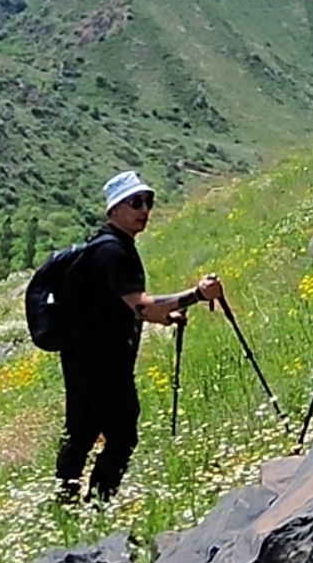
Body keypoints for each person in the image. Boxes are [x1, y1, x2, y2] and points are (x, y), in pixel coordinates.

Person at [45, 170, 219, 505]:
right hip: (103, 361)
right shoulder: (113, 252)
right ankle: (98, 504)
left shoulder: (109, 247)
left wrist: (165, 315)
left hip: (82, 354)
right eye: (135, 202)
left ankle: (65, 503)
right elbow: (140, 306)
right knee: (122, 435)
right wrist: (197, 294)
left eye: (148, 202)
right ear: (114, 210)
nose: (144, 210)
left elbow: (128, 306)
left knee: (81, 431)